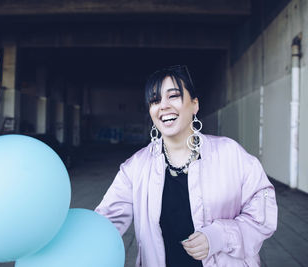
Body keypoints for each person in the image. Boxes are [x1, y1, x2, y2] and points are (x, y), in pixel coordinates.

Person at [95, 65, 278, 267]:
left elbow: (263, 211)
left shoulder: (230, 154)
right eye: (155, 100)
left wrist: (219, 236)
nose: (163, 105)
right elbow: (104, 223)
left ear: (194, 104)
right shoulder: (135, 168)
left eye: (173, 96)